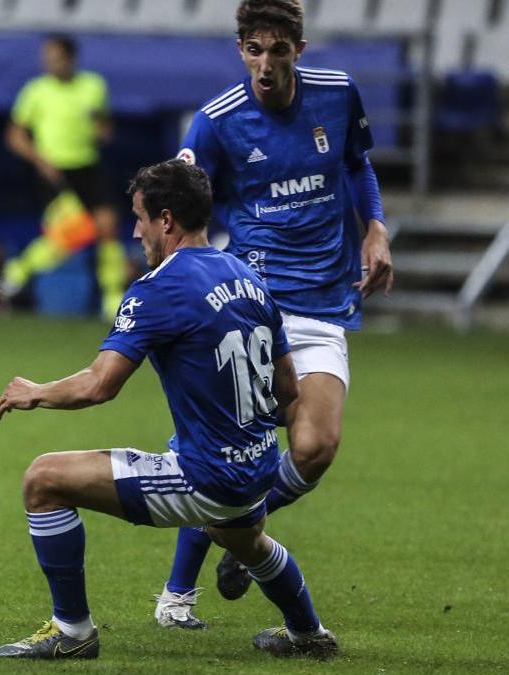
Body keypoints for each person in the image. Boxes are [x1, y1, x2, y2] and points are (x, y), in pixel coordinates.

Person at [0, 159, 337, 661]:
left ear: (167, 220)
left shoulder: (159, 288)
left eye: (140, 218)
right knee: (247, 543)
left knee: (43, 479)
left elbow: (98, 385)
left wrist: (35, 391)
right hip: (260, 467)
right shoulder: (246, 274)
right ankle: (309, 634)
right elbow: (288, 390)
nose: (135, 231)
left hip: (209, 477)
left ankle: (72, 632)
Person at [152, 0, 395, 629]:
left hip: (322, 302)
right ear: (240, 52)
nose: (265, 63)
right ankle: (178, 595)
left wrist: (376, 230)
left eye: (277, 50)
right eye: (253, 50)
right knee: (227, 456)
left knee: (316, 445)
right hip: (252, 304)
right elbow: (181, 207)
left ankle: (244, 535)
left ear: (299, 50)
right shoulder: (214, 123)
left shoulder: (338, 96)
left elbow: (357, 165)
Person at [4, 34, 127, 317]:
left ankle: (112, 298)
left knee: (107, 225)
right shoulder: (35, 91)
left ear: (71, 59)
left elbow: (104, 128)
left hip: (87, 167)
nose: (50, 64)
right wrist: (39, 159)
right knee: (72, 233)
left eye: (56, 58)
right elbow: (15, 136)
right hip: (55, 171)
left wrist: (100, 132)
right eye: (47, 58)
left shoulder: (93, 86)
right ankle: (20, 269)